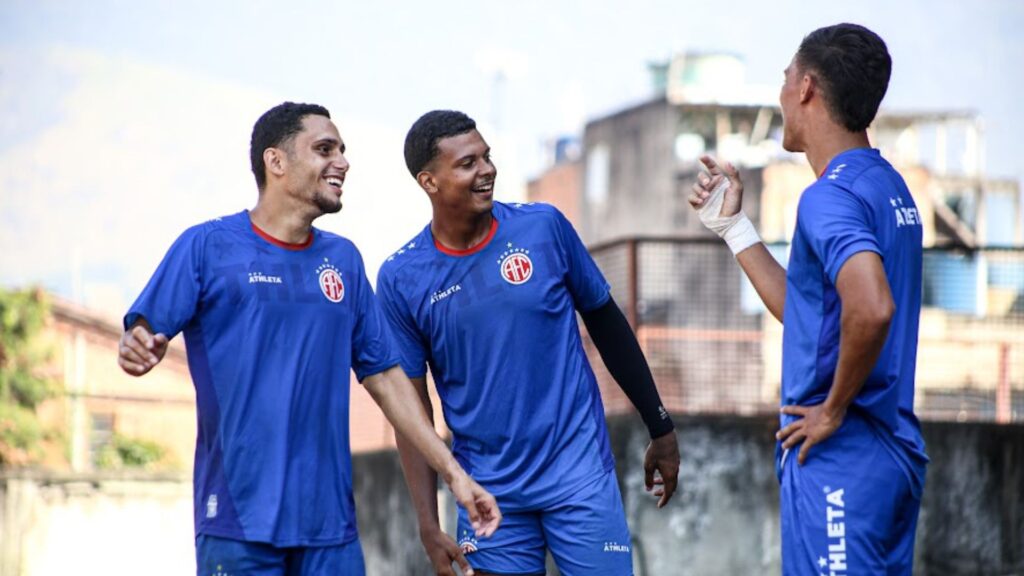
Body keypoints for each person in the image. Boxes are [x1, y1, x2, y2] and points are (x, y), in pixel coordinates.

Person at [117, 102, 500, 576]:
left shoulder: (343, 261)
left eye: (342, 150)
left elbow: (386, 379)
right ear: (275, 162)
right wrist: (135, 345)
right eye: (324, 149)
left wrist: (455, 476)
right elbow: (142, 331)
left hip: (331, 533)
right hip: (238, 527)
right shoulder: (207, 247)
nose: (342, 161)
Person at [376, 110, 680, 576]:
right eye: (467, 163)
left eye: (487, 157)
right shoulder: (401, 278)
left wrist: (659, 425)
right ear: (429, 182)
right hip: (487, 494)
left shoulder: (543, 228)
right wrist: (426, 521)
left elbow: (608, 324)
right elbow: (411, 414)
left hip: (578, 476)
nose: (486, 171)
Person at [688, 23, 928, 575]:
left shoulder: (829, 196)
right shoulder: (888, 186)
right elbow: (809, 313)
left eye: (784, 79)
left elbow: (872, 308)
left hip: (841, 459)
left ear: (807, 88)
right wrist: (735, 229)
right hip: (891, 456)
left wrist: (832, 410)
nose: (780, 95)